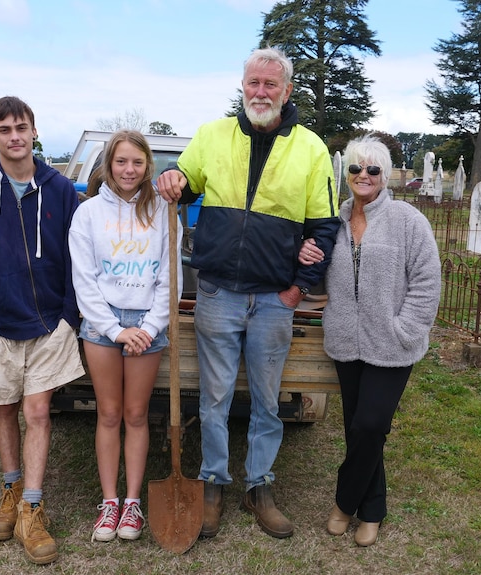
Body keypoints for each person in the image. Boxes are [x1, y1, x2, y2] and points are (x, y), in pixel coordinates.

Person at [156, 47, 340, 539]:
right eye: (253, 83)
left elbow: (324, 228)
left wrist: (298, 290)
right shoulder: (212, 135)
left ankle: (259, 485)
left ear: (287, 91)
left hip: (273, 301)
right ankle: (212, 482)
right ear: (243, 86)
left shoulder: (311, 148)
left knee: (266, 400)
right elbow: (185, 183)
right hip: (217, 294)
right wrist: (172, 177)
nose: (260, 92)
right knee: (213, 399)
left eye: (270, 85)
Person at [0, 96, 85, 565]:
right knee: (4, 407)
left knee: (37, 412)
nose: (15, 137)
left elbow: (77, 258)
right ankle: (10, 490)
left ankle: (32, 507)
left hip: (51, 324)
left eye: (22, 127)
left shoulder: (58, 190)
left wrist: (70, 319)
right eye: (5, 129)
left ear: (34, 132)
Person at [307, 135, 440, 546]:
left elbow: (427, 281)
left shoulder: (407, 220)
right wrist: (306, 257)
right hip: (347, 341)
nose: (363, 175)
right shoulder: (336, 222)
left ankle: (344, 503)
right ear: (346, 174)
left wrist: (406, 329)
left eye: (373, 169)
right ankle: (373, 510)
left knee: (370, 423)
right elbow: (320, 280)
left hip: (393, 345)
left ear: (385, 176)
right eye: (355, 168)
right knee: (358, 431)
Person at [69, 130, 182, 543]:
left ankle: (133, 502)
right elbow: (84, 281)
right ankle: (110, 501)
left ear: (147, 165)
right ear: (108, 166)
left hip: (147, 322)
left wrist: (149, 328)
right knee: (109, 414)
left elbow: (172, 277)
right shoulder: (88, 215)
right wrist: (116, 330)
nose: (129, 170)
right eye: (121, 162)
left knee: (136, 415)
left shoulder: (165, 212)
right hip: (102, 326)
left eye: (137, 162)